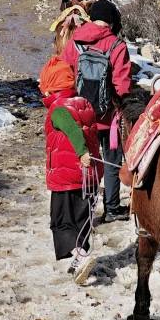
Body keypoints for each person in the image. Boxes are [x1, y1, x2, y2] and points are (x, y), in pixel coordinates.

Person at [61, 0, 132, 221]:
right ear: (111, 21)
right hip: (108, 116)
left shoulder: (75, 42)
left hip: (81, 113)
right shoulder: (117, 45)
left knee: (86, 160)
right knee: (111, 161)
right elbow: (122, 86)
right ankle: (111, 208)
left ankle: (84, 211)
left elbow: (65, 74)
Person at [39, 55, 101, 284]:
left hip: (68, 176)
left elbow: (74, 132)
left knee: (61, 221)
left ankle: (80, 256)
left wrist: (82, 151)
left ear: (49, 88)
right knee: (81, 219)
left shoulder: (58, 110)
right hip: (89, 177)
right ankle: (79, 262)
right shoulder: (83, 103)